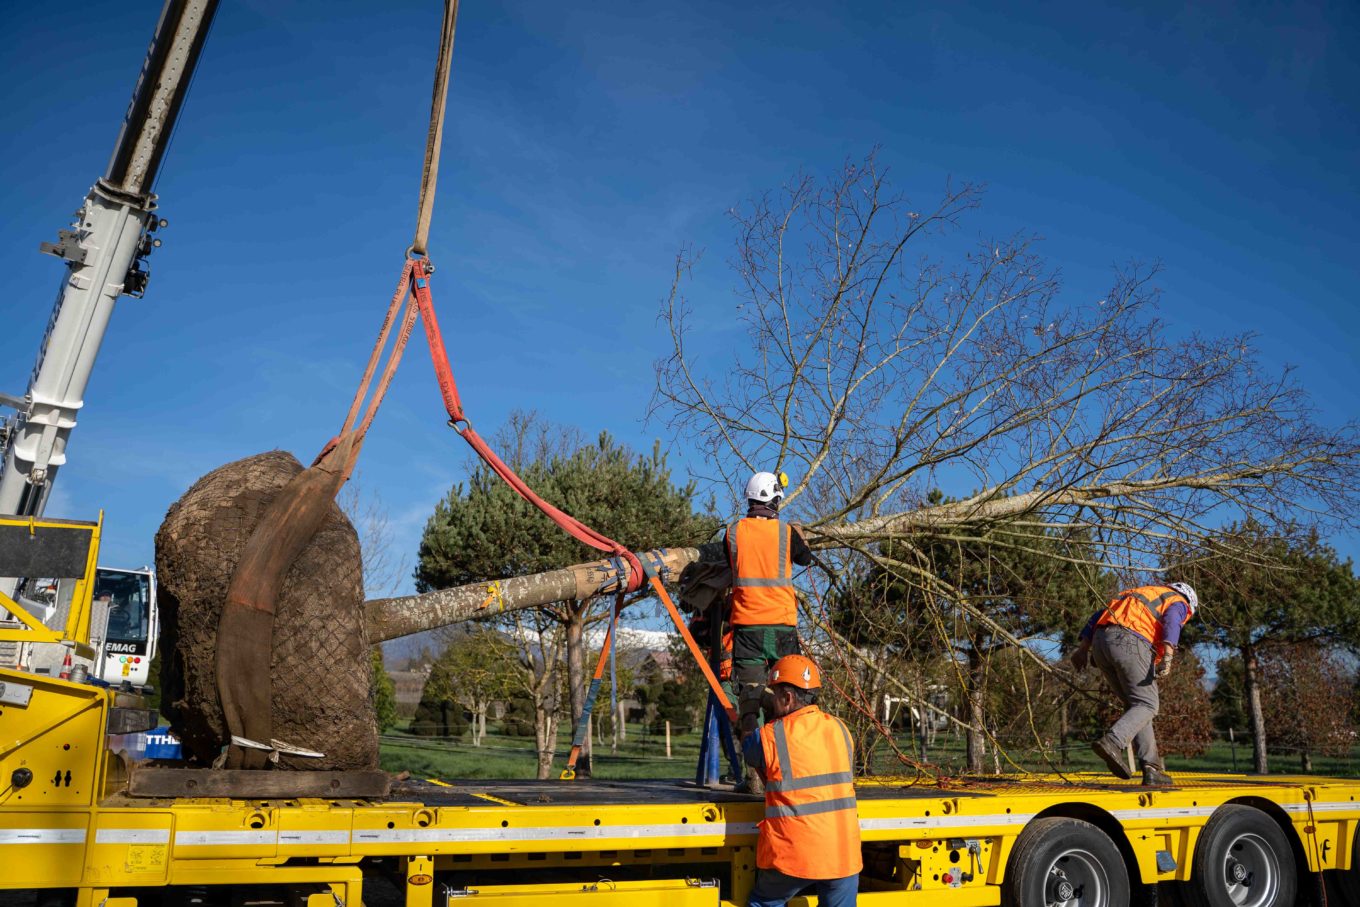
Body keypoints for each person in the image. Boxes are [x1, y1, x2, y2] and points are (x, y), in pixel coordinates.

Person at [741, 654, 860, 907]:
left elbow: (749, 748)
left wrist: (749, 711)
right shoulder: (840, 728)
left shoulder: (771, 736)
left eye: (774, 695)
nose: (772, 701)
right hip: (843, 852)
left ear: (787, 698)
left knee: (764, 902)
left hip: (795, 854)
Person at [725, 471, 812, 793]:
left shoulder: (733, 533)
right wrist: (800, 536)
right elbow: (806, 559)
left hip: (747, 627)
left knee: (749, 700)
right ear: (776, 499)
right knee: (789, 698)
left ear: (749, 499)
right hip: (782, 627)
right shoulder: (786, 532)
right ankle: (790, 774)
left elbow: (731, 561)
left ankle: (756, 780)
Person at [1071, 581, 1198, 786]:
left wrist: (1082, 649)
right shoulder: (1179, 601)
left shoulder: (1137, 594)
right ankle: (1113, 741)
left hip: (1101, 643)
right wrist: (1168, 655)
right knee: (1148, 704)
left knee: (1138, 707)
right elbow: (1172, 620)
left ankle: (1151, 769)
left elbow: (1098, 616)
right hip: (1130, 640)